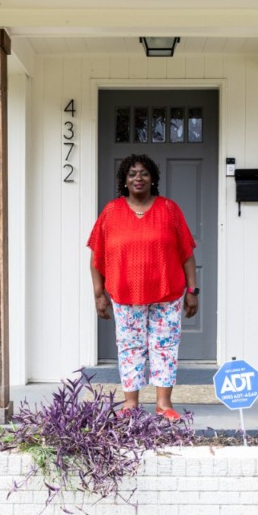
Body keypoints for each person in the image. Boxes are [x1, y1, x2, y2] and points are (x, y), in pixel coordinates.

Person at [87, 154, 199, 421]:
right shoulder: (112, 212)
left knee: (165, 347)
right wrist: (99, 294)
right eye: (132, 174)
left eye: (144, 173)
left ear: (153, 179)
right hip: (125, 295)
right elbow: (96, 258)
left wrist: (192, 291)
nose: (138, 178)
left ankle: (163, 404)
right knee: (130, 347)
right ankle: (131, 403)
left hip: (167, 294)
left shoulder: (169, 209)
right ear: (124, 181)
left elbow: (187, 254)